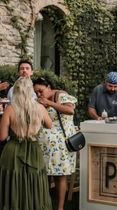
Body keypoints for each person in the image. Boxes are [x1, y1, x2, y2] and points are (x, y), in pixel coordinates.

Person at [0, 77, 52, 210]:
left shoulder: (10, 109)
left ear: (15, 91)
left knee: (14, 182)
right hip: (34, 150)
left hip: (13, 150)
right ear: (31, 91)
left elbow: (2, 137)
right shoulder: (40, 108)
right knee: (35, 181)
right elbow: (49, 125)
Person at [33, 77, 77, 210]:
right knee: (44, 174)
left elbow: (70, 110)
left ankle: (60, 207)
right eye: (36, 93)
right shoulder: (40, 101)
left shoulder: (61, 95)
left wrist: (49, 103)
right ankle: (44, 205)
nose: (39, 94)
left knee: (60, 175)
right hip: (45, 145)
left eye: (40, 91)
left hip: (61, 145)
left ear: (48, 87)